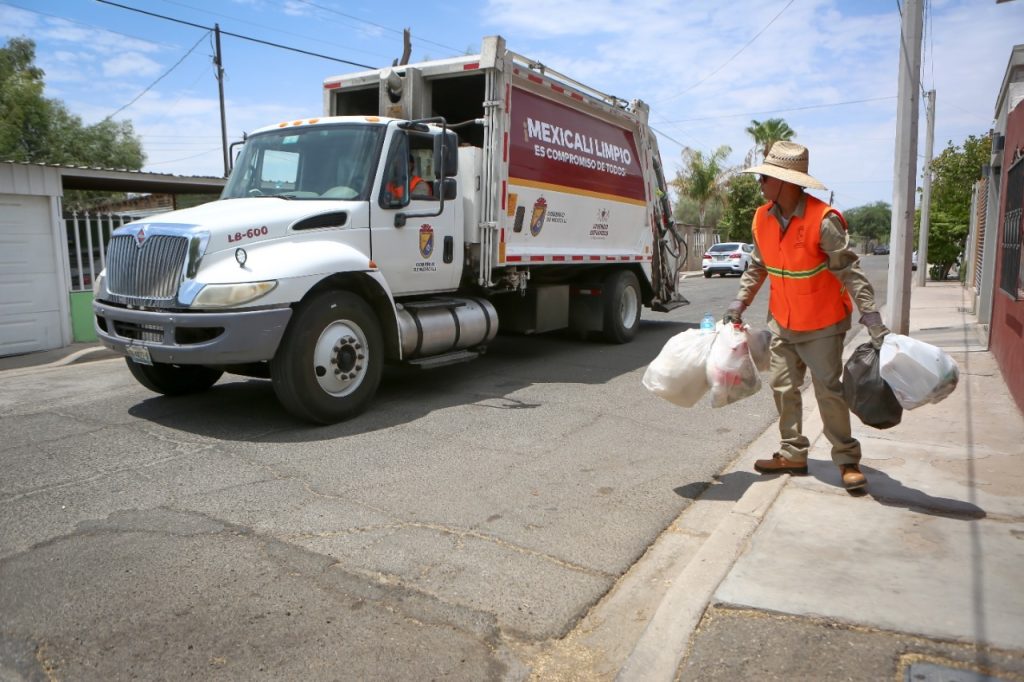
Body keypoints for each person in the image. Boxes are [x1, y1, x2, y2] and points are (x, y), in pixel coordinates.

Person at [723, 141, 888, 492]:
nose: (761, 183)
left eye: (766, 177)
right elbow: (757, 267)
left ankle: (846, 459)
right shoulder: (761, 218)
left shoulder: (824, 220)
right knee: (783, 387)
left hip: (823, 325)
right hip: (781, 322)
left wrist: (871, 317)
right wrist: (739, 304)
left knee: (829, 391)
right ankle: (792, 453)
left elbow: (850, 272)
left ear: (786, 182)